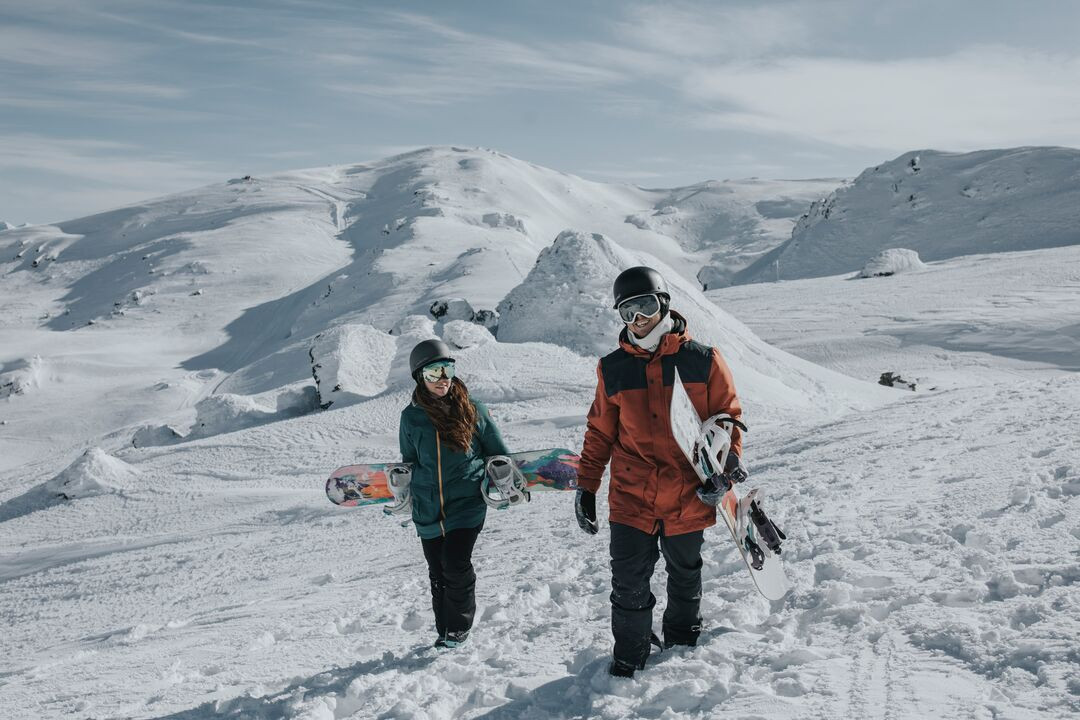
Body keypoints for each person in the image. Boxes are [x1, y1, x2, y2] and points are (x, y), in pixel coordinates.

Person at [574, 266, 746, 677]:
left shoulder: (702, 360)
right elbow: (599, 432)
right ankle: (629, 657)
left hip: (688, 491)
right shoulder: (612, 368)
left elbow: (727, 419)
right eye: (627, 312)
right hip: (632, 497)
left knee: (685, 573)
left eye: (646, 307)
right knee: (628, 583)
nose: (639, 320)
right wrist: (586, 487)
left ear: (664, 304)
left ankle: (683, 643)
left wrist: (727, 467)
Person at [400, 339, 510, 648]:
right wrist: (402, 495)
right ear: (421, 377)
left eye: (447, 370)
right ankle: (444, 631)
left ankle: (459, 627)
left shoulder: (473, 409)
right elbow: (409, 462)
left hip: (466, 504)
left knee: (455, 563)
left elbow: (497, 453)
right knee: (437, 572)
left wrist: (506, 483)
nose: (442, 379)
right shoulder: (410, 418)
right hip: (427, 508)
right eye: (434, 373)